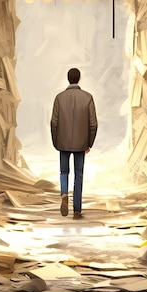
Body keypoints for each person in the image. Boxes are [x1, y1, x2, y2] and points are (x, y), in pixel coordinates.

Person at [50, 67, 98, 220]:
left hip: (62, 141)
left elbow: (54, 122)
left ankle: (64, 193)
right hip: (81, 142)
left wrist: (55, 141)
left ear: (68, 78)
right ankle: (77, 210)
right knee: (79, 174)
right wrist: (89, 142)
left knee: (64, 172)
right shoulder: (88, 97)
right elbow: (93, 124)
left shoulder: (59, 98)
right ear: (79, 79)